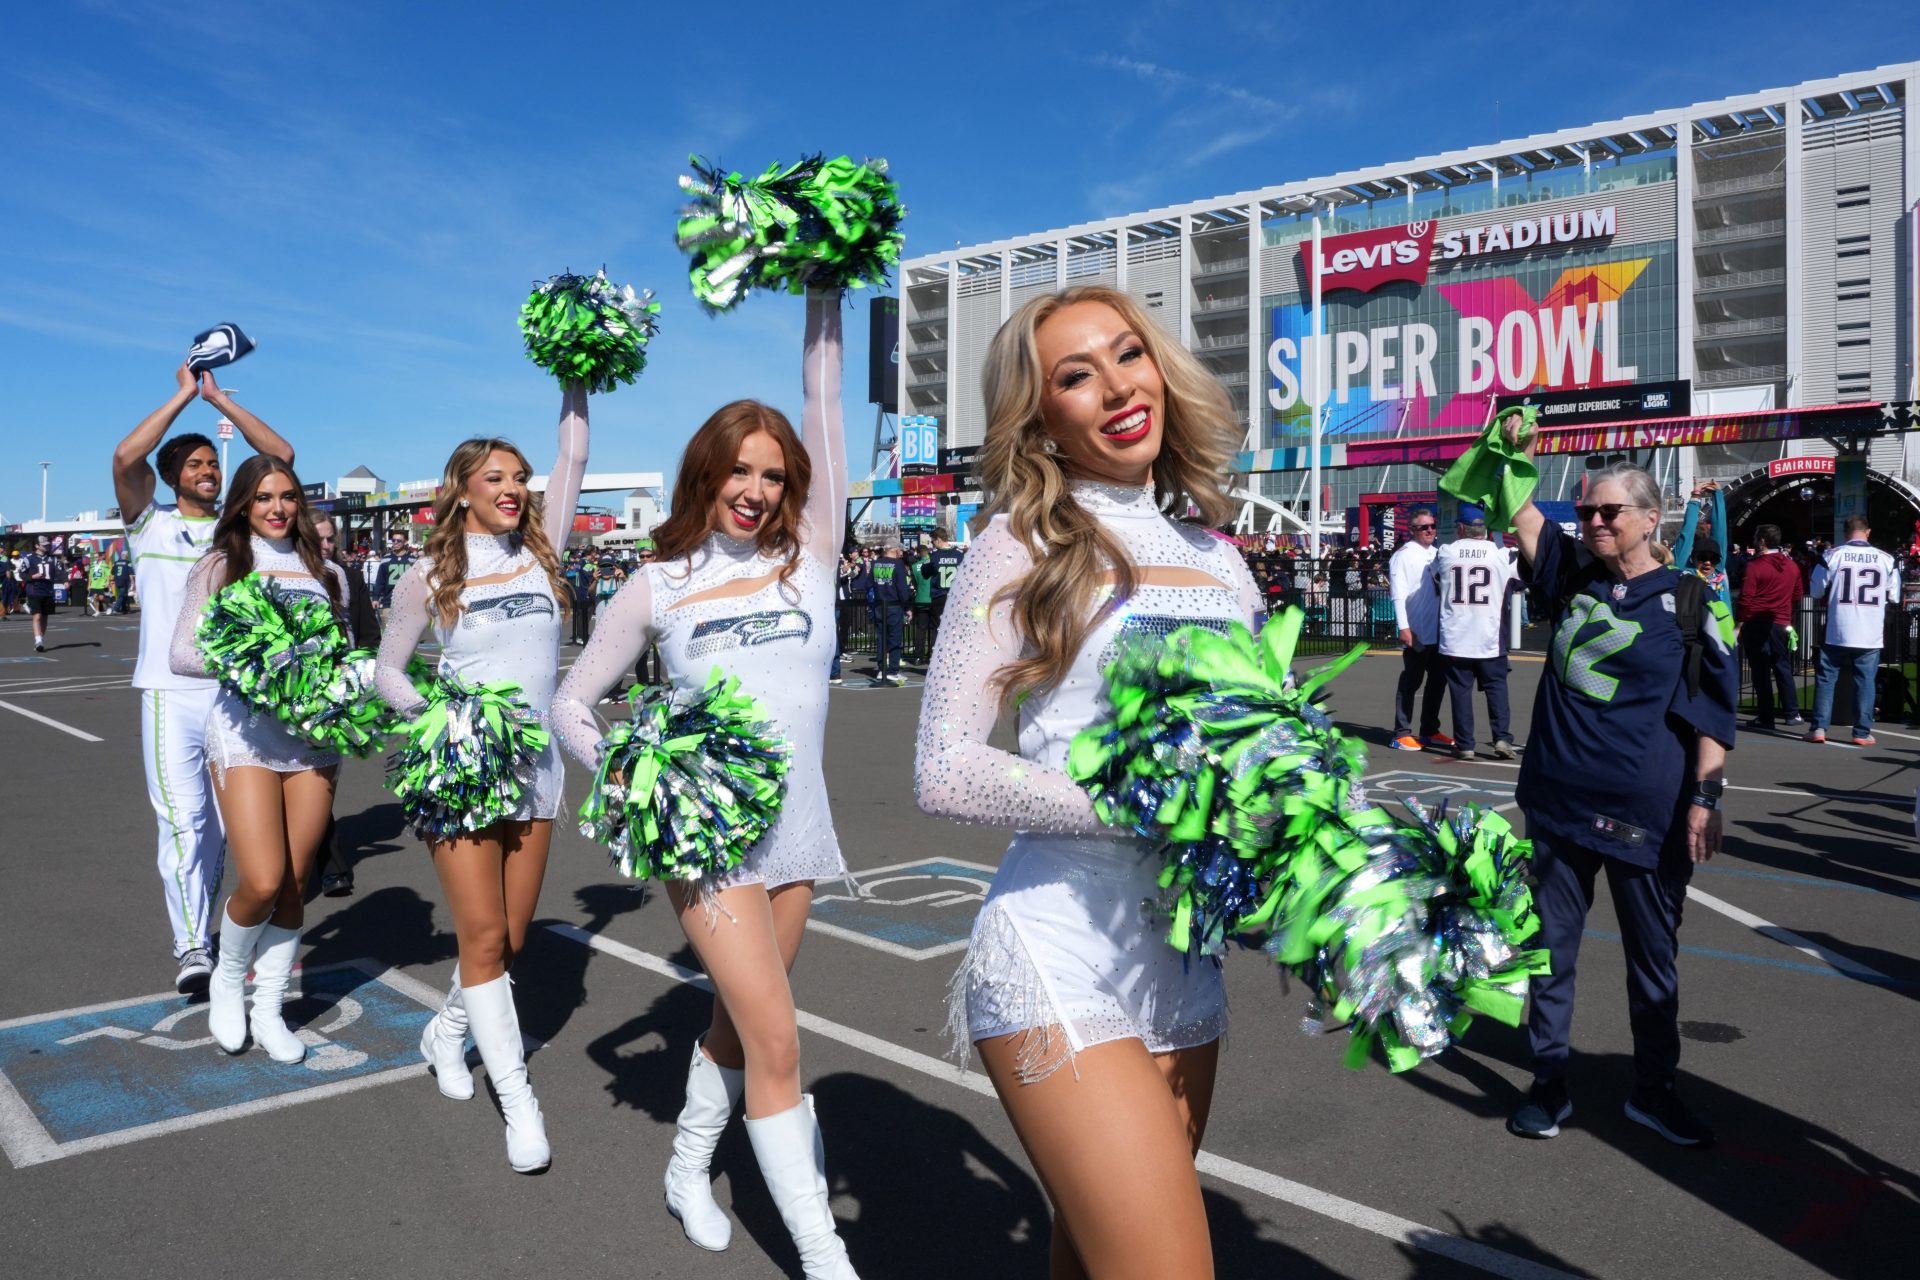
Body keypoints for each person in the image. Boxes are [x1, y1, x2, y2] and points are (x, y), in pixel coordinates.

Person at [915, 286, 1257, 1278]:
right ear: (1040, 418)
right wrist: (1141, 806)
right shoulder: (1019, 546)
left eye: (1127, 355)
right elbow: (943, 767)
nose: (1116, 387)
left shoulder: (1222, 562)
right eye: (1076, 375)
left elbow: (1264, 758)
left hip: (1184, 972)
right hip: (1056, 954)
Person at [552, 290, 855, 1276]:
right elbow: (570, 704)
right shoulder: (660, 581)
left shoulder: (812, 556)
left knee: (738, 1021)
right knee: (778, 1041)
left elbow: (825, 398)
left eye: (773, 474)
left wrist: (824, 287)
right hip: (709, 842)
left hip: (799, 827)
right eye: (739, 468)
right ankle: (824, 1254)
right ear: (705, 471)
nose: (755, 489)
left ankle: (688, 1168)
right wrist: (642, 778)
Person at [373, 385, 589, 1174]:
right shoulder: (428, 575)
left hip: (536, 768)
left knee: (513, 937)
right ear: (461, 489)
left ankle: (445, 1033)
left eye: (520, 478)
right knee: (485, 937)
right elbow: (387, 671)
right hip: (461, 767)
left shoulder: (541, 552)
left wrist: (577, 373)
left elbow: (574, 455)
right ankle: (518, 1104)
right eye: (496, 477)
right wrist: (437, 715)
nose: (513, 488)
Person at [1499, 432, 1736, 1148]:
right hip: (1558, 806)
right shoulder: (1573, 575)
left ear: (1650, 517)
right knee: (1550, 953)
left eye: (1609, 512)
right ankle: (1548, 1082)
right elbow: (1522, 511)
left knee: (1653, 964)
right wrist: (1512, 448)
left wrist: (1707, 799)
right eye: (1586, 512)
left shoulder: (1692, 601)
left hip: (1645, 817)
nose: (1594, 522)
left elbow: (1713, 713)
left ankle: (1654, 1090)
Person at [113, 363, 295, 993]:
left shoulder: (235, 528)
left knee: (220, 827)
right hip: (168, 693)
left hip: (233, 696)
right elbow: (125, 457)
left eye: (212, 463)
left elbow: (280, 456)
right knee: (182, 820)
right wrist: (184, 395)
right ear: (171, 478)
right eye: (194, 465)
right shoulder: (149, 523)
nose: (208, 471)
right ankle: (192, 946)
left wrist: (218, 399)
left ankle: (215, 931)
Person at [170, 454, 348, 1064]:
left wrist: (341, 680)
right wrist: (263, 659)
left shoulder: (326, 571)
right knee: (264, 878)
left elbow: (345, 650)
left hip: (314, 739)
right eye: (264, 497)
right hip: (245, 735)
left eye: (288, 496)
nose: (278, 508)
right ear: (244, 504)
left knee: (295, 882)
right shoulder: (221, 564)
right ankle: (228, 978)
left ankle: (269, 1009)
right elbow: (183, 654)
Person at [312, 513, 379, 897]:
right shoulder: (285, 576)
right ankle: (329, 865)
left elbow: (369, 634)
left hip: (339, 694)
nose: (326, 546)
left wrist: (361, 678)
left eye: (330, 539)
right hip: (294, 694)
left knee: (322, 780)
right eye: (318, 539)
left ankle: (322, 861)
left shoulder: (349, 578)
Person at [1433, 505, 1520, 759]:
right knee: (1496, 687)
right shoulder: (1501, 555)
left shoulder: (1446, 552)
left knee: (1460, 691)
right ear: (1484, 529)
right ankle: (1502, 738)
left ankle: (1465, 745)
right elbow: (1519, 582)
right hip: (1490, 634)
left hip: (1456, 636)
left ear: (1461, 528)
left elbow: (1435, 580)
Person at [1806, 514, 1898, 746]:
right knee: (1865, 681)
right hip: (1869, 631)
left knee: (1827, 679)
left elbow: (1816, 591)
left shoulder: (1831, 555)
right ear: (1868, 532)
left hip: (1839, 628)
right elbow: (1894, 595)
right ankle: (1861, 732)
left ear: (1846, 533)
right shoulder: (1886, 559)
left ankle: (1818, 728)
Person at [1388, 507, 1450, 751]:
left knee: (1438, 681)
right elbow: (1398, 595)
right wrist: (1404, 627)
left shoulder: (1437, 553)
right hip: (1416, 630)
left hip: (1438, 630)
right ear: (1412, 529)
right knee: (1411, 681)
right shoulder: (1403, 555)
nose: (1430, 530)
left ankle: (1430, 729)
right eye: (1424, 527)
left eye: (1432, 526)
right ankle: (1401, 732)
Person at [1735, 524, 1804, 731]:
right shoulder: (1791, 566)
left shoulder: (1755, 566)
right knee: (1782, 666)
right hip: (1781, 621)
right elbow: (1798, 594)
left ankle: (1767, 716)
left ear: (1762, 541)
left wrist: (1740, 622)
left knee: (1760, 670)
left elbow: (1746, 598)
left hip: (1757, 620)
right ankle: (1792, 712)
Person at [868, 541, 911, 685]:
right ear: (894, 549)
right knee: (894, 639)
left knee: (881, 638)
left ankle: (882, 669)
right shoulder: (898, 564)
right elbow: (902, 588)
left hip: (879, 605)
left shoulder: (876, 563)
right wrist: (907, 606)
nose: (901, 552)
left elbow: (868, 584)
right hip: (894, 605)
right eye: (899, 549)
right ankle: (892, 670)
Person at [19, 537, 58, 651]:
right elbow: (21, 574)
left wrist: (65, 580)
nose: (46, 546)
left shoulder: (53, 559)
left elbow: (61, 571)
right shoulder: (29, 559)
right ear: (37, 546)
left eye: (47, 544)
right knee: (37, 616)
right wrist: (32, 576)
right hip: (34, 590)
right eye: (43, 544)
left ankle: (40, 639)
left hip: (48, 591)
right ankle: (38, 640)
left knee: (45, 617)